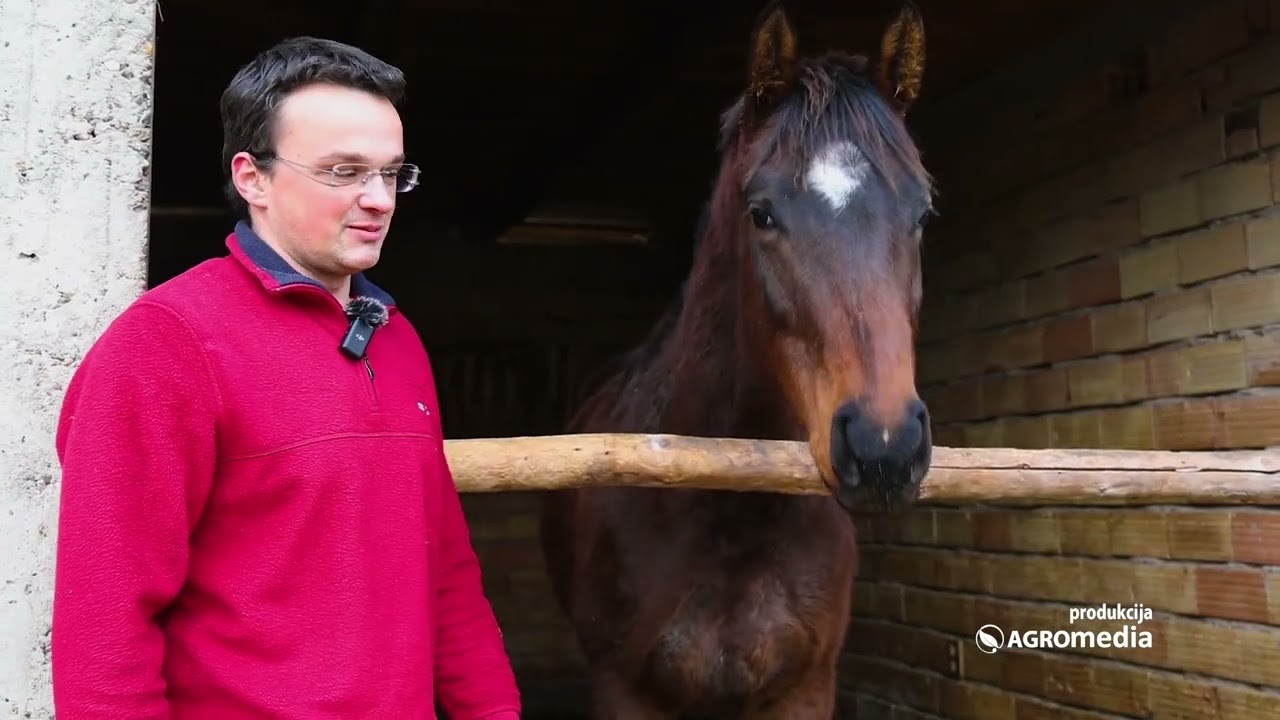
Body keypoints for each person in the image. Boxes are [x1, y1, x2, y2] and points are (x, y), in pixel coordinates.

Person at [50, 36, 521, 719]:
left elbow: (445, 571)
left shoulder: (397, 338)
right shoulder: (166, 344)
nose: (378, 199)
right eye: (343, 171)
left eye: (392, 173)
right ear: (253, 178)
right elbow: (106, 619)